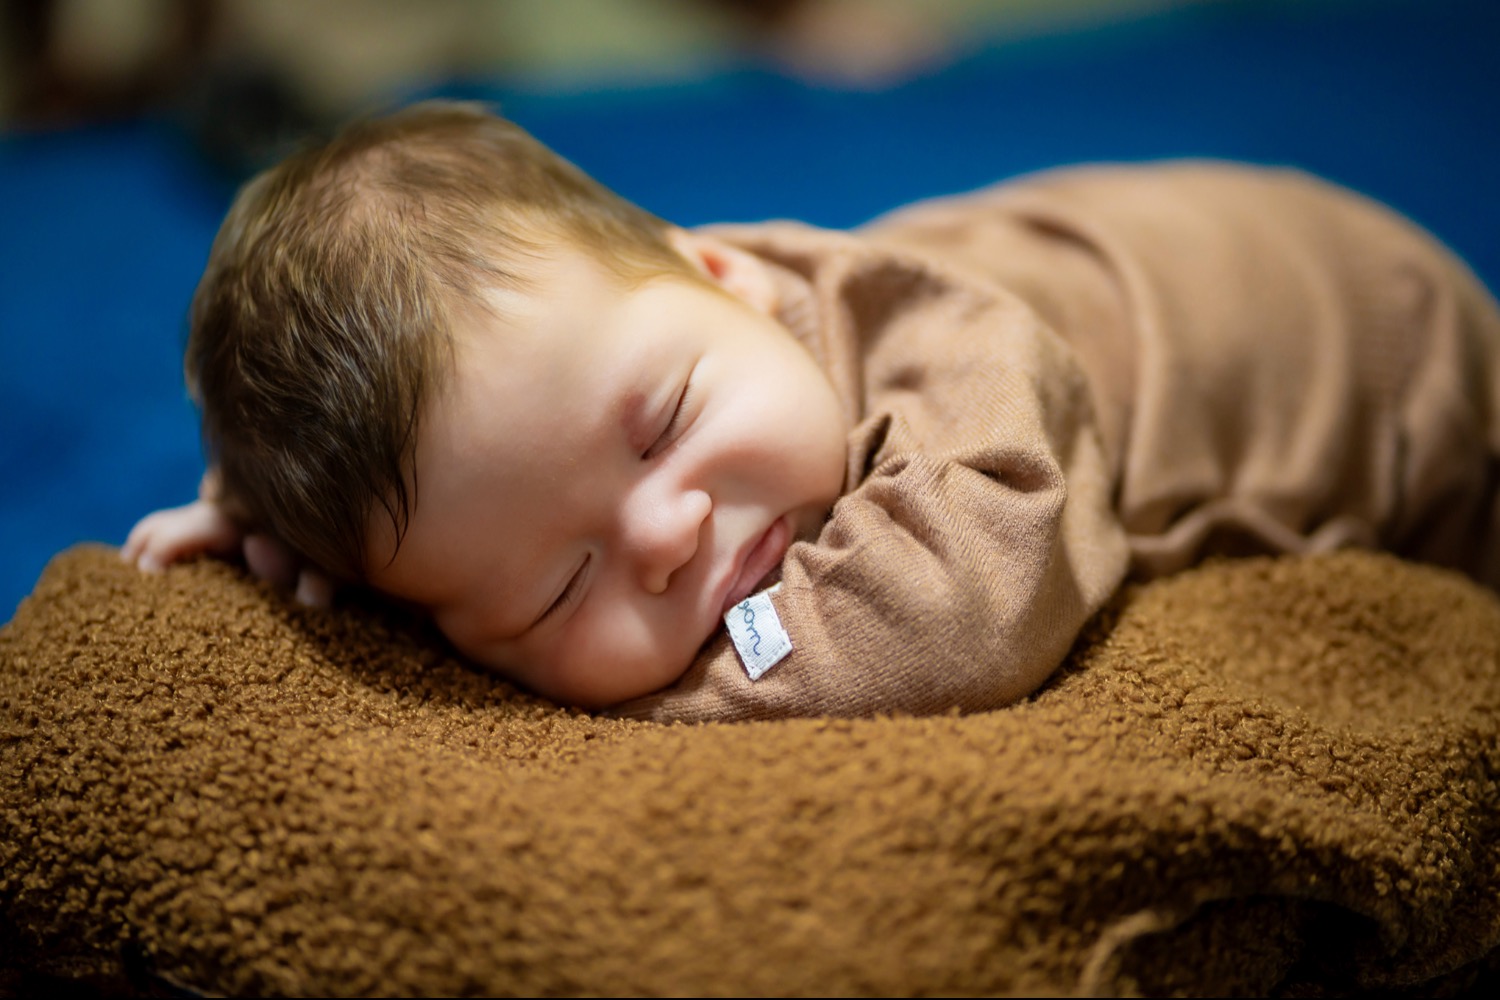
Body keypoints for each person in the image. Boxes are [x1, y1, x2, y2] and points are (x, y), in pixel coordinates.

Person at [124, 101, 1500, 722]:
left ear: (722, 268)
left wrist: (654, 710)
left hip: (1395, 362)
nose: (665, 536)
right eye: (555, 592)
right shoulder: (622, 340)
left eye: (661, 423)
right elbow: (462, 447)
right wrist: (275, 511)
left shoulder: (966, 380)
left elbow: (963, 616)